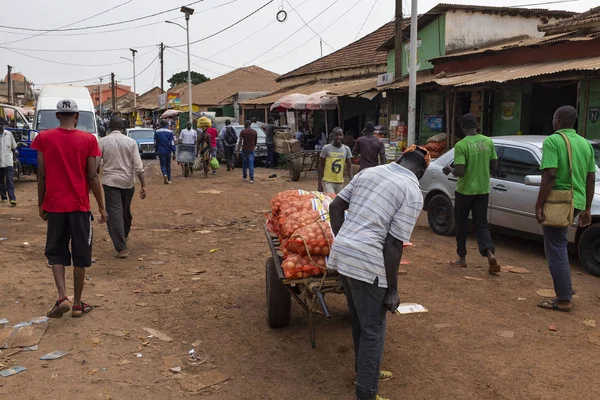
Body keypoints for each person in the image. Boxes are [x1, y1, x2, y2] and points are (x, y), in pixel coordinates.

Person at [329, 145, 430, 400]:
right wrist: (393, 290)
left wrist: (347, 242)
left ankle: (366, 373)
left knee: (360, 323)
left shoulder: (368, 172)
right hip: (369, 264)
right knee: (373, 329)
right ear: (422, 172)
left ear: (401, 159)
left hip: (344, 255)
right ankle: (367, 392)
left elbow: (335, 207)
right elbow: (394, 244)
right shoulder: (412, 191)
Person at [31, 99, 107, 319]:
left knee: (56, 252)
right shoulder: (88, 140)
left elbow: (41, 174)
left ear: (57, 116)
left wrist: (40, 203)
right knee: (81, 254)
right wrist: (102, 207)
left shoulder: (44, 138)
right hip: (80, 206)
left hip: (55, 206)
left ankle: (62, 296)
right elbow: (92, 175)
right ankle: (77, 304)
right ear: (76, 117)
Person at [535, 106, 595, 312]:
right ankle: (565, 287)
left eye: (553, 117)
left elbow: (550, 175)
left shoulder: (553, 141)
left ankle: (563, 298)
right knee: (560, 244)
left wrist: (539, 204)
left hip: (559, 201)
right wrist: (587, 208)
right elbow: (590, 177)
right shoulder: (585, 144)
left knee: (555, 248)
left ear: (558, 119)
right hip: (577, 201)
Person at [443, 114, 499, 274]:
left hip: (465, 191)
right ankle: (490, 252)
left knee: (461, 224)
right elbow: (494, 166)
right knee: (481, 224)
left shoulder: (462, 145)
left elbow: (459, 171)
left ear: (462, 127)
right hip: (483, 190)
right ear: (477, 125)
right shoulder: (488, 141)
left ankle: (462, 258)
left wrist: (449, 169)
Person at [99, 116, 147, 259]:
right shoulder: (131, 142)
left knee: (115, 214)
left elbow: (94, 164)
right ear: (123, 128)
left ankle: (121, 247)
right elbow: (138, 166)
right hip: (128, 183)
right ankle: (122, 240)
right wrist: (143, 185)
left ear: (108, 127)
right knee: (125, 212)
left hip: (110, 182)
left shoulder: (102, 142)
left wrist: (91, 181)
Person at [317, 127, 353, 194]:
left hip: (339, 182)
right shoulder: (326, 148)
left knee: (338, 202)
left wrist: (352, 181)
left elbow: (349, 167)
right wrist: (319, 183)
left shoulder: (346, 149)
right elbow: (321, 166)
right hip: (328, 181)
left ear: (343, 136)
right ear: (332, 136)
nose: (338, 137)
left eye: (340, 135)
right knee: (331, 198)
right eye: (336, 135)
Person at [0, 119, 18, 206]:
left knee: (10, 181)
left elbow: (13, 148)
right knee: (0, 182)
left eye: (1, 125)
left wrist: (14, 160)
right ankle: (3, 197)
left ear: (3, 125)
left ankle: (12, 198)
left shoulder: (9, 134)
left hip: (8, 162)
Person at [154, 119, 176, 184]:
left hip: (161, 150)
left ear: (160, 124)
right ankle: (169, 179)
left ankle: (164, 174)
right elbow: (172, 142)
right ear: (167, 124)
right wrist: (174, 152)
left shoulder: (157, 132)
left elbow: (156, 142)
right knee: (168, 165)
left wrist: (156, 150)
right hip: (168, 150)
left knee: (162, 164)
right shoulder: (170, 132)